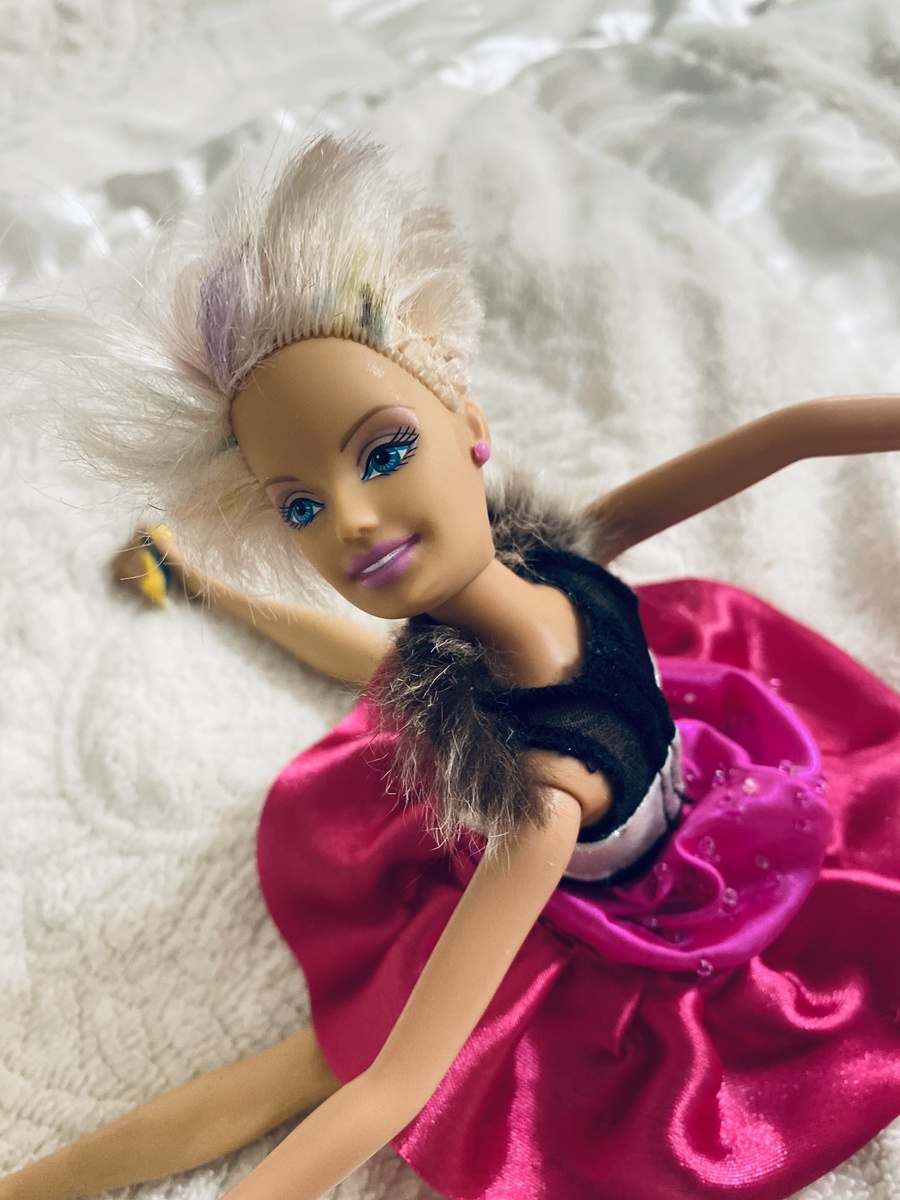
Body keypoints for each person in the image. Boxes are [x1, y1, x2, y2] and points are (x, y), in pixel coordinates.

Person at [2, 134, 900, 1200]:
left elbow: (795, 432)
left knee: (322, 1048)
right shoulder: (538, 792)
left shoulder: (559, 563)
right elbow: (394, 1086)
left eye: (384, 453)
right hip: (544, 847)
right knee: (313, 1062)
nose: (353, 520)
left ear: (467, 423)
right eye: (302, 506)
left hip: (658, 854)